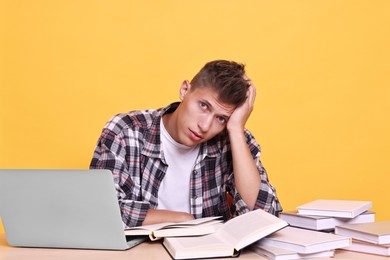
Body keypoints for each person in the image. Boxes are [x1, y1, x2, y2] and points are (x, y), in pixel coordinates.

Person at [90, 60, 282, 228]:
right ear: (184, 90)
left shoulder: (232, 138)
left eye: (221, 118)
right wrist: (182, 219)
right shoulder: (126, 130)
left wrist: (236, 130)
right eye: (203, 106)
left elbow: (265, 217)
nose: (205, 126)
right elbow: (101, 211)